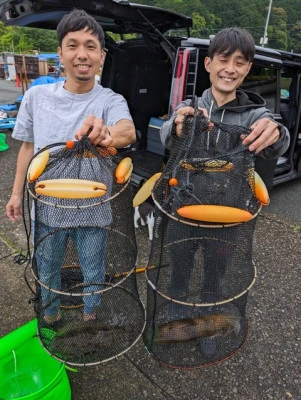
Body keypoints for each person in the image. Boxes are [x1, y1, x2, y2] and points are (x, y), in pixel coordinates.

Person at [159, 27, 290, 356]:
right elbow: (168, 132)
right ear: (208, 64)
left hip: (229, 217)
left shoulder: (254, 114)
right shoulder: (190, 107)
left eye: (240, 62)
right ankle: (175, 314)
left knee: (215, 278)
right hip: (184, 209)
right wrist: (176, 126)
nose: (230, 68)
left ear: (247, 69)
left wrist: (276, 133)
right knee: (180, 267)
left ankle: (209, 323)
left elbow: (279, 137)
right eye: (223, 59)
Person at [6, 9, 136, 323]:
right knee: (47, 268)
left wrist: (106, 133)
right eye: (73, 45)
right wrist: (14, 195)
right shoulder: (36, 97)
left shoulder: (110, 99)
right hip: (46, 207)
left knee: (93, 268)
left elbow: (126, 131)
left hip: (94, 208)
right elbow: (27, 147)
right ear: (60, 53)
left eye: (91, 46)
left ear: (101, 56)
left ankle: (90, 319)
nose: (82, 54)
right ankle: (50, 317)